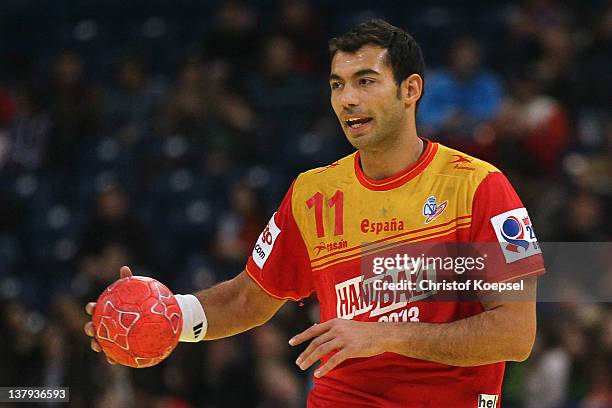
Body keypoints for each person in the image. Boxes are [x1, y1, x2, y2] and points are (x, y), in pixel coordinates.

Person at [85, 19, 545, 407]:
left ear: (411, 90)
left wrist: (384, 335)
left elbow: (515, 334)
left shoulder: (482, 187)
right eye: (337, 85)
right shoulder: (313, 193)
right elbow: (249, 298)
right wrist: (162, 319)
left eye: (365, 81)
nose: (348, 99)